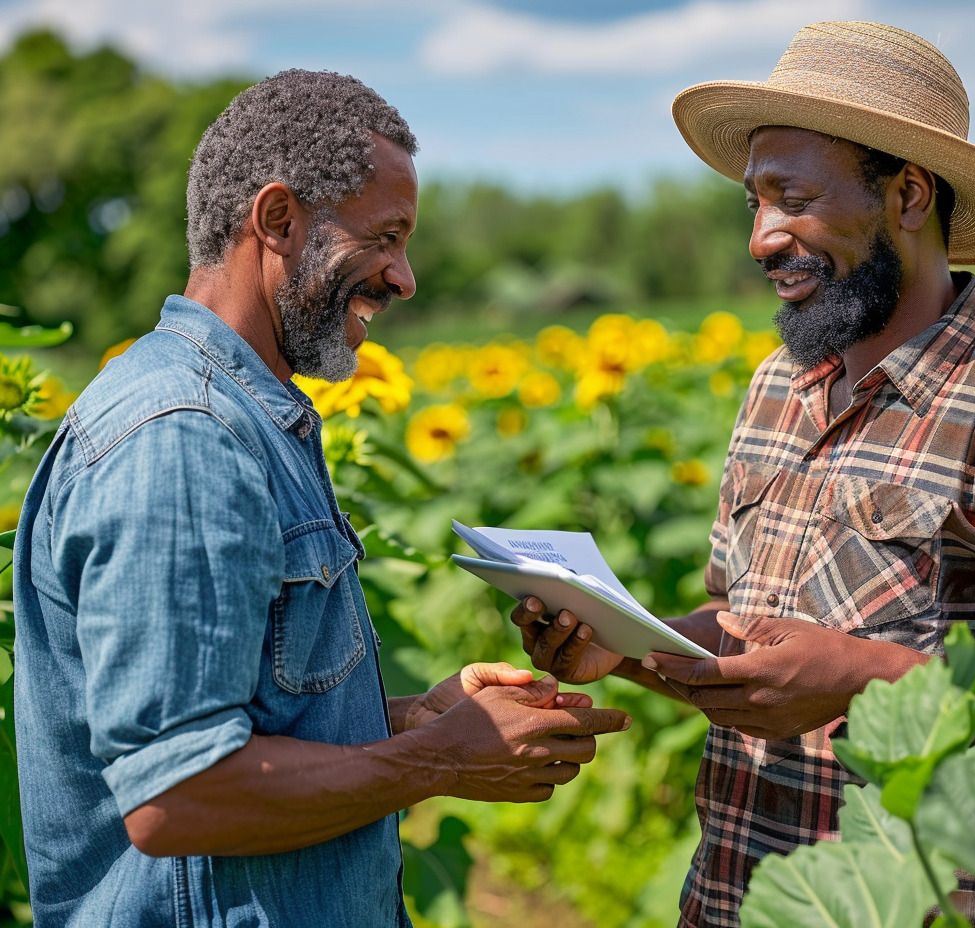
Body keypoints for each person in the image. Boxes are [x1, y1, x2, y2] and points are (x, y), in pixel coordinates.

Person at [511, 21, 975, 928]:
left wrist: (876, 677)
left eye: (791, 198)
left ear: (908, 194)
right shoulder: (778, 387)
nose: (761, 238)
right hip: (735, 898)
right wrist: (628, 646)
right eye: (753, 204)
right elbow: (745, 631)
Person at [13, 69, 630, 927]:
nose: (405, 278)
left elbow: (246, 710)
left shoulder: (247, 415)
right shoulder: (183, 437)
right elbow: (178, 795)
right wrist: (442, 762)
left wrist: (418, 720)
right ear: (277, 221)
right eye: (385, 236)